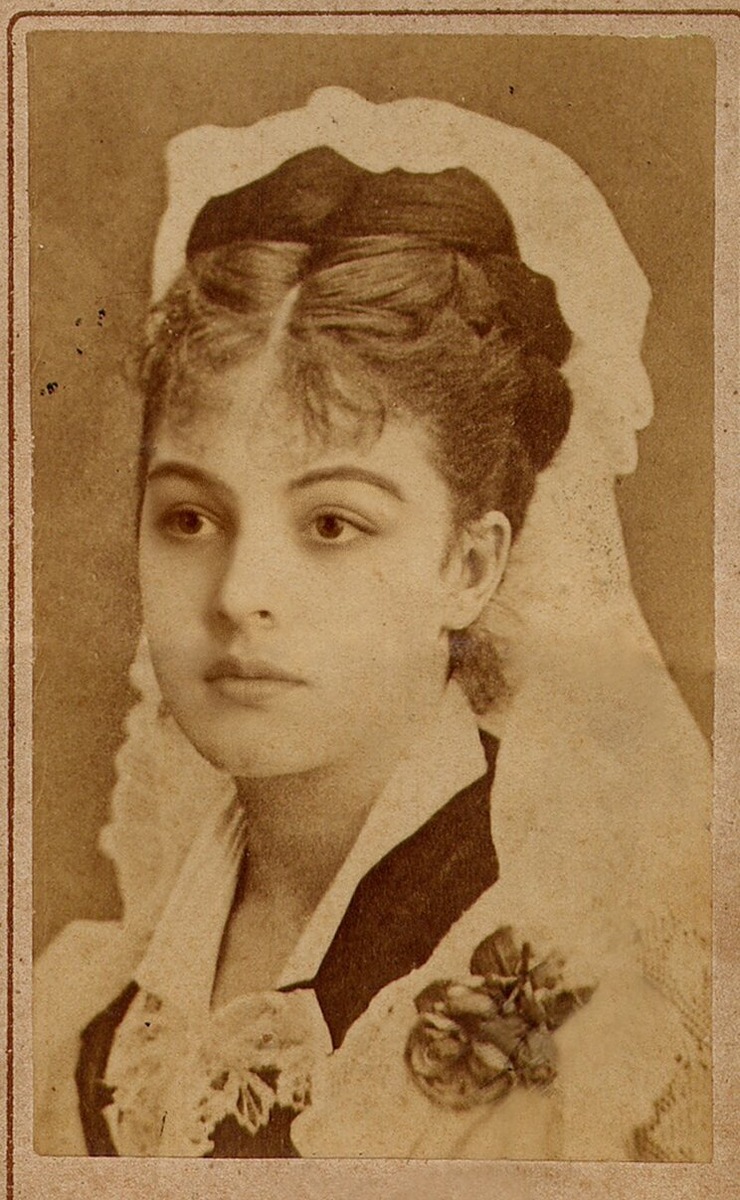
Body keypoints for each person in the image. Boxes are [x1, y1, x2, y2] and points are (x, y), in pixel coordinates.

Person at [34, 88, 711, 1160]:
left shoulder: (570, 989)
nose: (237, 593)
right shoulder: (91, 1002)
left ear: (468, 565)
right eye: (191, 517)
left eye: (332, 523)